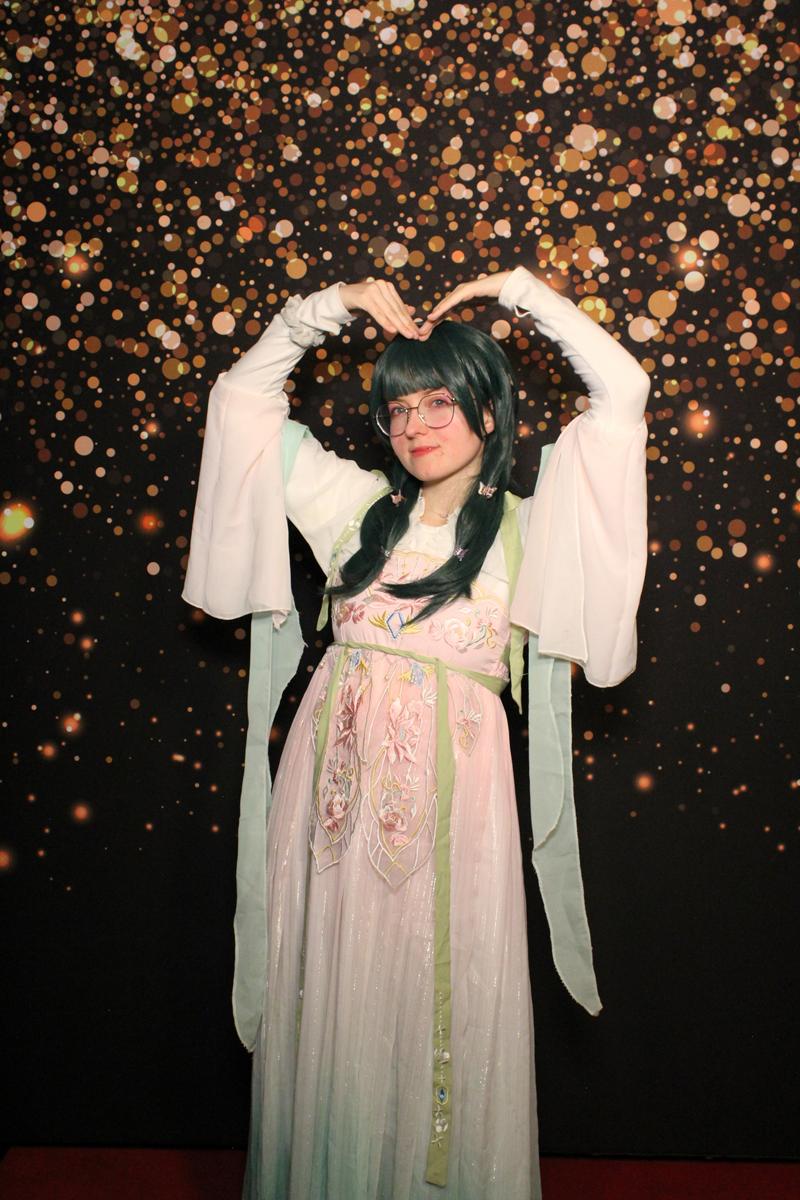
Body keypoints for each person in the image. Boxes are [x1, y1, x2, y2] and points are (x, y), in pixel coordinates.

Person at [181, 266, 650, 1199]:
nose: (416, 425)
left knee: (438, 996)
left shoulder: (531, 529)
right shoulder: (352, 508)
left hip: (454, 818)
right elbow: (241, 401)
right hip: (329, 808)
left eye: (439, 402)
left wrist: (518, 290)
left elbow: (623, 391)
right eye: (398, 409)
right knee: (328, 993)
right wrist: (329, 307)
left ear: (488, 411)